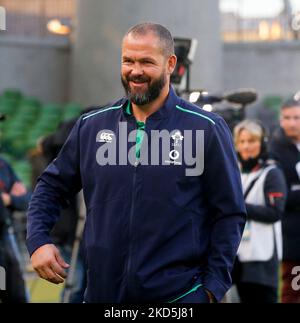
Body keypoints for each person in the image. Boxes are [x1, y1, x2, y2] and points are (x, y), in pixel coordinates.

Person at [26, 22, 246, 303]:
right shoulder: (92, 126)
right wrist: (38, 241)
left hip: (179, 298)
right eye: (128, 61)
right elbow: (51, 187)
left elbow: (229, 213)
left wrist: (212, 288)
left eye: (146, 62)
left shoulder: (206, 128)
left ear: (170, 64)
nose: (135, 71)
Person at [232, 120, 286, 303]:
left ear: (261, 143)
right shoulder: (234, 171)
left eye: (252, 141)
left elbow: (275, 212)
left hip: (262, 257)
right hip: (237, 255)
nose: (246, 146)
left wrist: (239, 207)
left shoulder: (271, 173)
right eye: (242, 141)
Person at [269, 98, 300, 303]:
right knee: (293, 290)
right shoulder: (275, 150)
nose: (291, 123)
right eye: (287, 118)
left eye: (296, 118)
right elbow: (282, 196)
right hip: (293, 236)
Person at [0, 157, 31, 303]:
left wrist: (10, 200)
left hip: (6, 233)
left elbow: (26, 199)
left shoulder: (3, 164)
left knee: (14, 288)